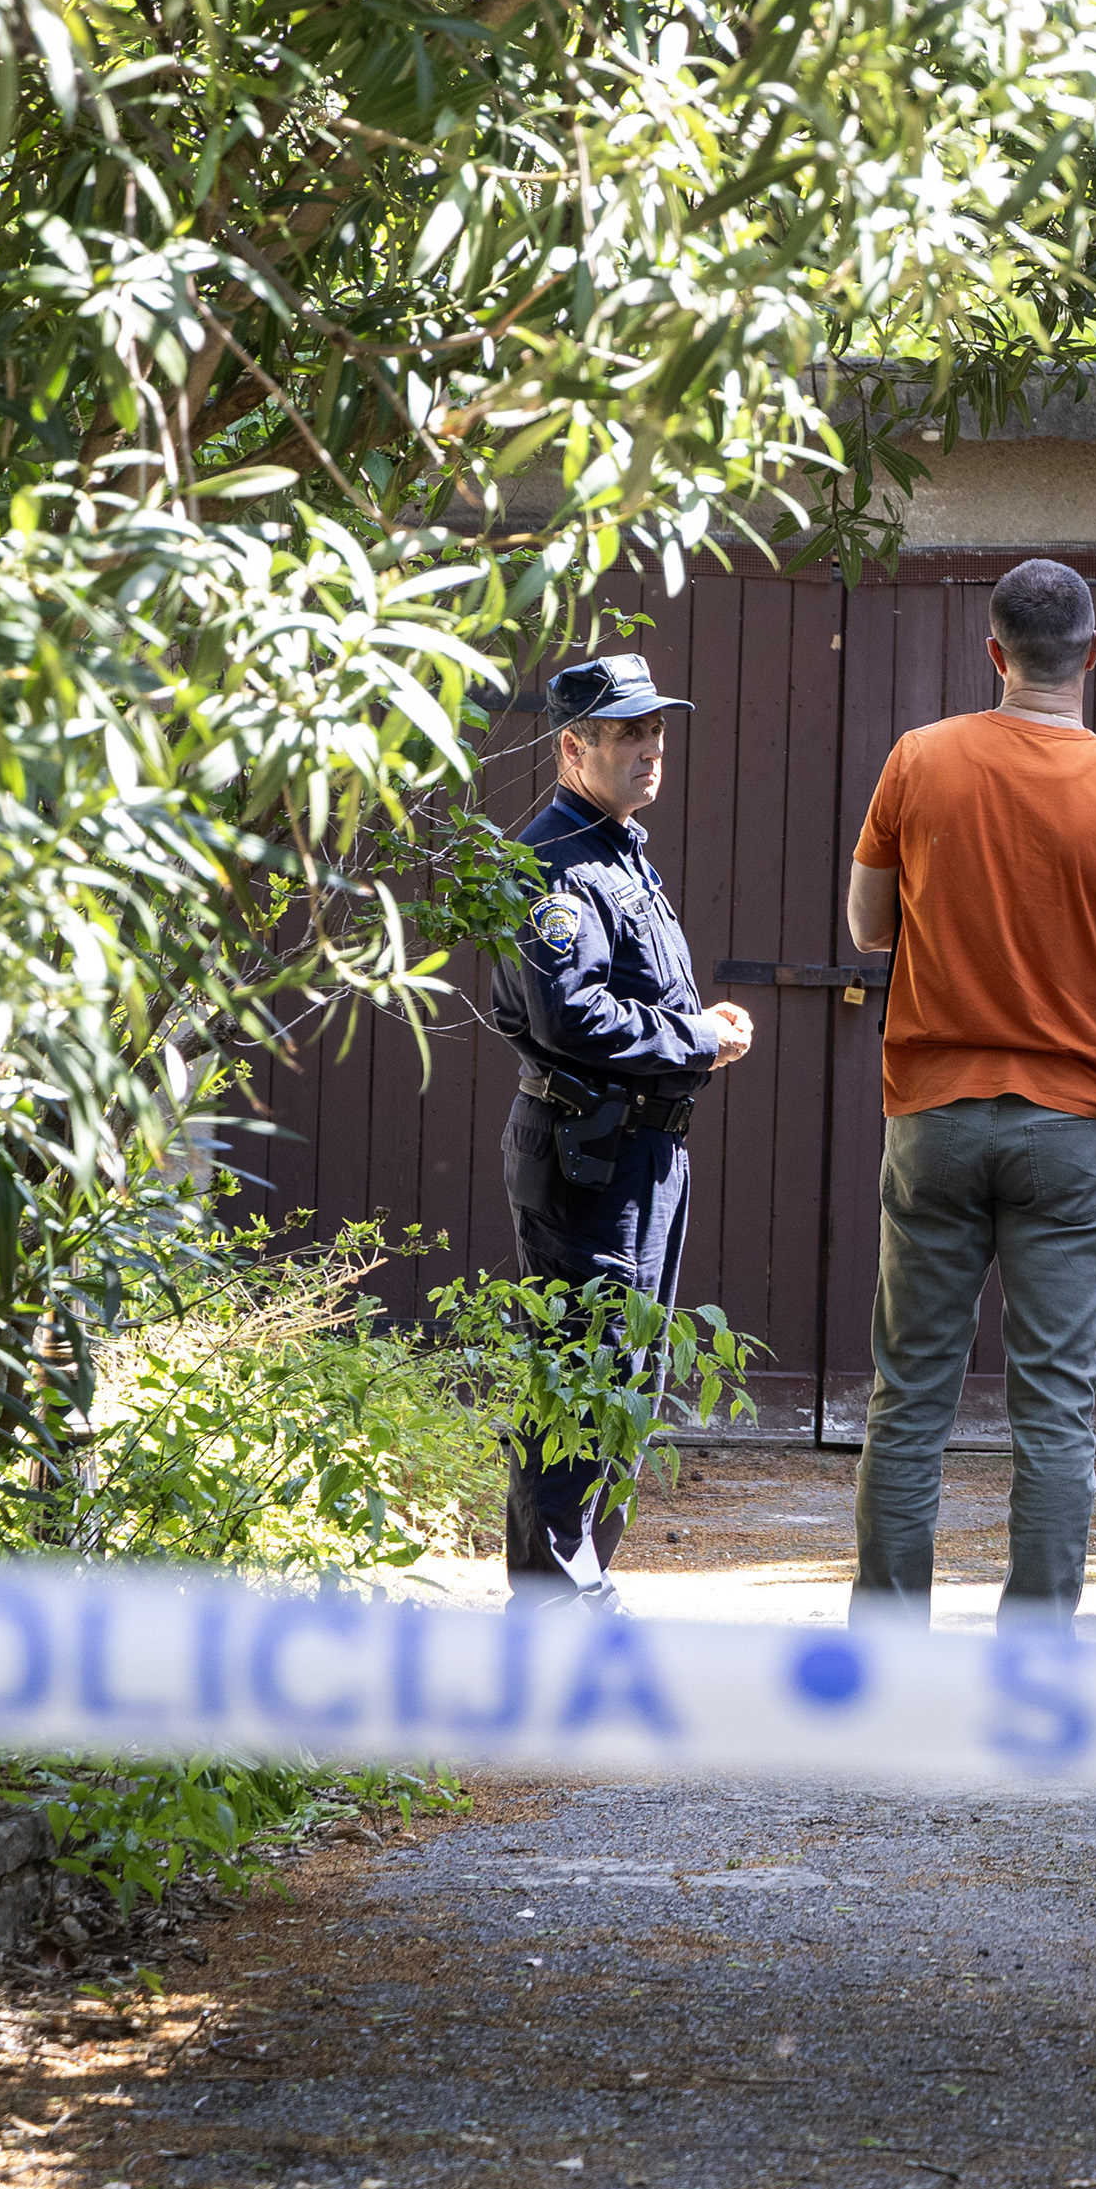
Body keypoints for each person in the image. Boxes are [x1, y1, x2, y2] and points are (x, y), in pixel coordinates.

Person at [843, 558, 1096, 1625]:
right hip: (1074, 1127)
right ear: (1093, 654)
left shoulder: (919, 761)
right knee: (1055, 1410)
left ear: (994, 653)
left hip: (935, 1114)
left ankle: (887, 1653)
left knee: (908, 1400)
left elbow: (868, 927)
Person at [484, 653, 754, 1609]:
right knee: (584, 1368)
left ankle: (572, 1582)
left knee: (621, 1369)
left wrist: (694, 1032)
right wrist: (700, 1036)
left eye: (656, 732)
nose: (649, 750)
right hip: (587, 1154)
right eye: (625, 734)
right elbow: (572, 1017)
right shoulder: (558, 860)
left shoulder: (617, 844)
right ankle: (558, 1600)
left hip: (638, 1151)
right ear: (572, 748)